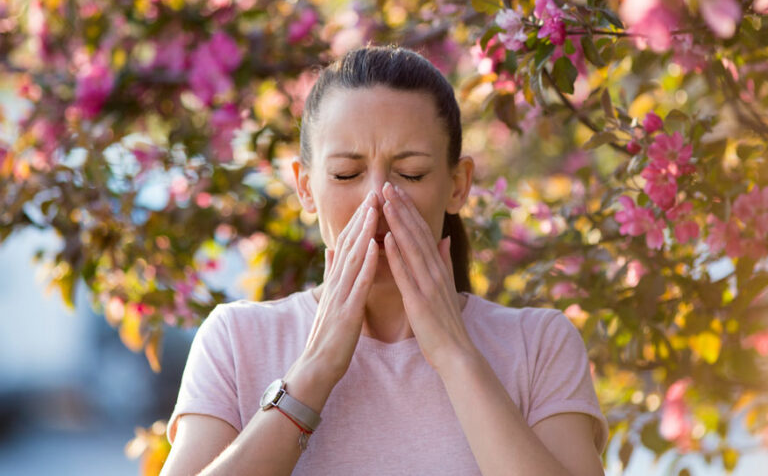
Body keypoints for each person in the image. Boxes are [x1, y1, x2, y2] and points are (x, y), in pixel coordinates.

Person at [160, 44, 608, 476]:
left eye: (411, 173)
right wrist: (313, 371)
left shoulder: (539, 345)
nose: (376, 197)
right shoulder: (236, 341)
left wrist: (455, 355)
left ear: (457, 184)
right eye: (346, 174)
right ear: (305, 187)